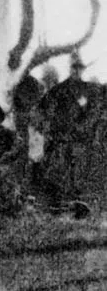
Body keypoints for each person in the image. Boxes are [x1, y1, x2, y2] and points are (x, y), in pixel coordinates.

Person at [38, 52, 100, 203]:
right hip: (61, 137)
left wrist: (84, 125)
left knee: (79, 170)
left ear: (82, 69)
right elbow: (45, 111)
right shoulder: (58, 90)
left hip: (80, 137)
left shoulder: (88, 89)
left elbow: (94, 111)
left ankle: (77, 201)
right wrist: (50, 130)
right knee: (59, 169)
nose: (76, 71)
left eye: (79, 68)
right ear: (69, 69)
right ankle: (59, 201)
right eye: (74, 68)